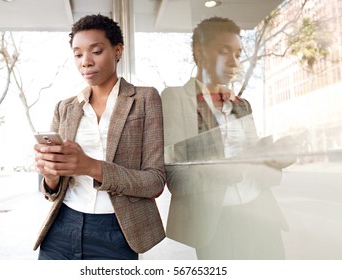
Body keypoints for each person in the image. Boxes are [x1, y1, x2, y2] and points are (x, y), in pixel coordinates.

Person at [33, 14, 166, 260]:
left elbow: (155, 182)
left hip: (117, 231)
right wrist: (50, 175)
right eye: (78, 54)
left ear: (117, 51)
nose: (86, 62)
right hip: (62, 228)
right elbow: (51, 190)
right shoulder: (65, 107)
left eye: (96, 51)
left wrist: (91, 167)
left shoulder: (145, 99)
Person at [162, 16, 289, 259]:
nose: (234, 62)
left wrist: (276, 158)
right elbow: (177, 178)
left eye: (238, 54)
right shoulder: (175, 99)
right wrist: (239, 164)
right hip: (218, 225)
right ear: (200, 52)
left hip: (263, 218)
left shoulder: (242, 105)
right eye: (224, 51)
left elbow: (263, 171)